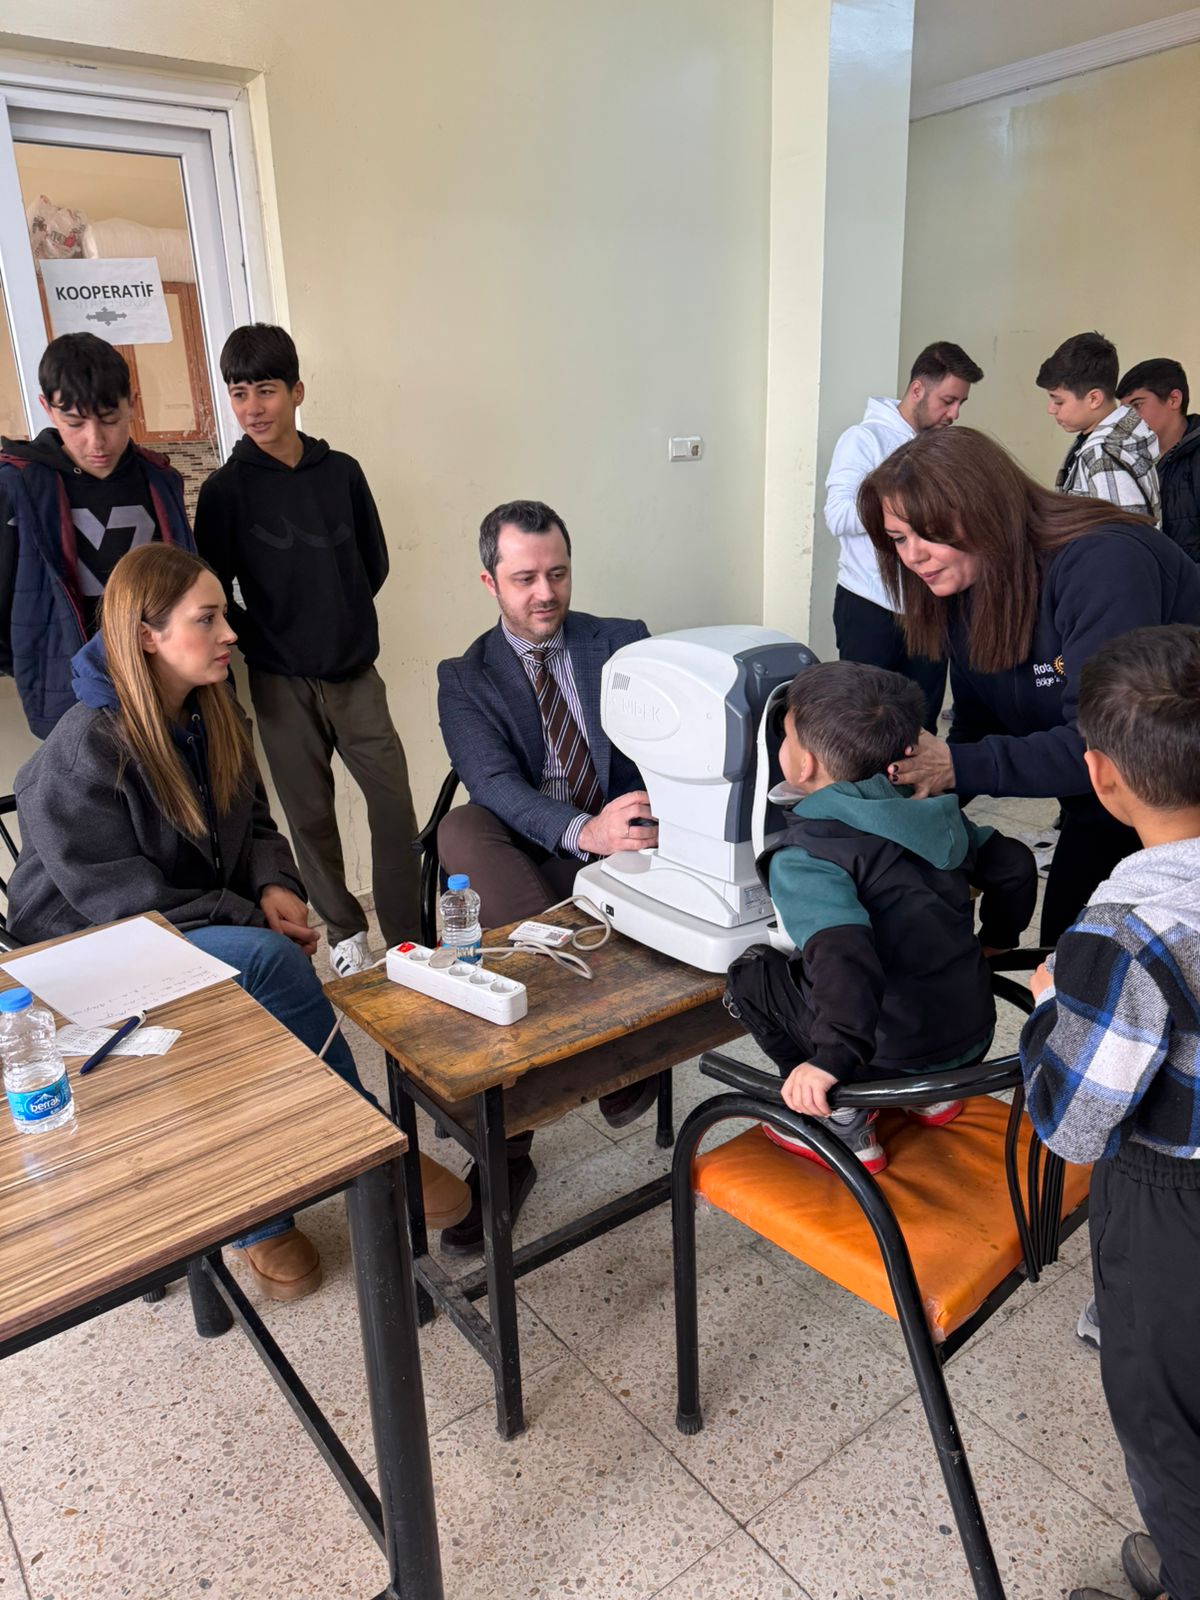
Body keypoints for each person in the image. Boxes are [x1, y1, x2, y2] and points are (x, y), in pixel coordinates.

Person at [6, 544, 467, 1302]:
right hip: (82, 953)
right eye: (208, 618)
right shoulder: (83, 746)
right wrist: (245, 916)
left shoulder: (213, 710)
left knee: (258, 963)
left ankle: (289, 1178)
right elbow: (116, 902)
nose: (230, 634)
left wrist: (274, 883)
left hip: (180, 925)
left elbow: (253, 822)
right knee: (266, 962)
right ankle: (349, 1158)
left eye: (224, 615)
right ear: (148, 635)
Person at [859, 427, 1200, 947]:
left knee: (1104, 958)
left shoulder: (1103, 562)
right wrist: (906, 809)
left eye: (928, 533)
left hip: (1177, 803)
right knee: (1066, 947)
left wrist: (954, 766)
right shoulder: (965, 589)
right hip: (1105, 800)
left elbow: (1105, 745)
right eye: (899, 539)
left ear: (986, 509)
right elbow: (978, 726)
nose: (913, 556)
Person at [1020, 624, 1200, 1600]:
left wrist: (1054, 1001)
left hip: (1175, 1206)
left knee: (1168, 1420)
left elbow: (1076, 1123)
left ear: (1101, 775)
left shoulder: (1126, 927)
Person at [435, 498, 659, 1252]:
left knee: (498, 955)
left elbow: (666, 745)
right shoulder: (466, 677)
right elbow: (494, 784)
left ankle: (506, 1152)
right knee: (463, 828)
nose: (545, 593)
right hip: (537, 849)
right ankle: (607, 1052)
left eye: (557, 574)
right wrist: (581, 832)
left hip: (623, 843)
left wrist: (631, 821)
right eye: (524, 578)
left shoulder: (621, 642)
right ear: (489, 583)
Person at [725, 660, 1035, 1172]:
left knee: (752, 975)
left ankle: (840, 1116)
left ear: (803, 765)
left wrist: (832, 1059)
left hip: (883, 1058)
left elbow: (844, 958)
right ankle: (930, 1098)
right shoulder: (937, 813)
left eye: (786, 736)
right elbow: (1016, 865)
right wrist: (999, 936)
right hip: (970, 1041)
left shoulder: (809, 856)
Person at [194, 323, 419, 977]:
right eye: (239, 393)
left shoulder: (341, 473)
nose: (253, 408)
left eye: (265, 390)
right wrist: (269, 637)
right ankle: (346, 932)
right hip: (278, 682)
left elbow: (373, 563)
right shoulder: (224, 491)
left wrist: (338, 622)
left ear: (296, 391)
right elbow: (213, 590)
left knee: (393, 807)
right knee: (310, 817)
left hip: (355, 674)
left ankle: (409, 939)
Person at [0, 333, 194, 738]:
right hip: (71, 695)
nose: (96, 440)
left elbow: (189, 580)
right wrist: (37, 663)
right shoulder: (17, 487)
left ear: (132, 404)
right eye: (74, 423)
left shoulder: (161, 480)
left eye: (109, 419)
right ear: (46, 408)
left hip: (164, 682)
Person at [824, 341, 984, 731]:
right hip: (870, 607)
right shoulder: (863, 440)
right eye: (948, 401)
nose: (955, 413)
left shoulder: (942, 448)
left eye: (960, 403)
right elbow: (837, 516)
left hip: (930, 605)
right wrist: (909, 511)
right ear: (917, 390)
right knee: (865, 728)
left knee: (921, 724)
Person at [1036, 331, 1161, 523]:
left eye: (1059, 401)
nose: (1050, 409)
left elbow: (1123, 537)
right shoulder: (1101, 440)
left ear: (1094, 399)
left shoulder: (1104, 456)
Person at [1118, 357, 1200, 563]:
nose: (1127, 420)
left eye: (1137, 405)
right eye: (1123, 411)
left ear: (1174, 399)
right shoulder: (1128, 461)